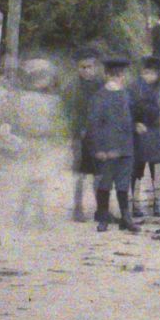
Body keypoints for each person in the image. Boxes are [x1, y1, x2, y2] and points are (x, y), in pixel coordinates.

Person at [85, 57, 138, 232]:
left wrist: (136, 127)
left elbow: (131, 119)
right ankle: (103, 217)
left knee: (123, 183)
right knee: (105, 183)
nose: (118, 78)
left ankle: (126, 217)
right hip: (107, 149)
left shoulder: (127, 95)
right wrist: (99, 149)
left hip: (126, 147)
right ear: (106, 76)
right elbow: (93, 125)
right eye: (113, 75)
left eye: (120, 75)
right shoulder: (99, 97)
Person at [62, 45, 105, 222]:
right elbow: (67, 111)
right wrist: (75, 129)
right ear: (78, 68)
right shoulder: (72, 88)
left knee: (99, 172)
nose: (87, 71)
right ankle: (78, 208)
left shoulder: (102, 86)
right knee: (80, 171)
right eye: (83, 67)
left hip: (99, 135)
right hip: (79, 134)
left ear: (96, 67)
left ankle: (101, 208)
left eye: (90, 67)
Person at [131, 56, 160, 218]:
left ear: (158, 73)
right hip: (138, 132)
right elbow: (127, 108)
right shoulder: (134, 87)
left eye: (153, 73)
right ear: (141, 72)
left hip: (155, 131)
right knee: (137, 168)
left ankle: (157, 201)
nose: (149, 76)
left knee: (156, 168)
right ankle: (135, 202)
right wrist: (134, 123)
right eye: (146, 72)